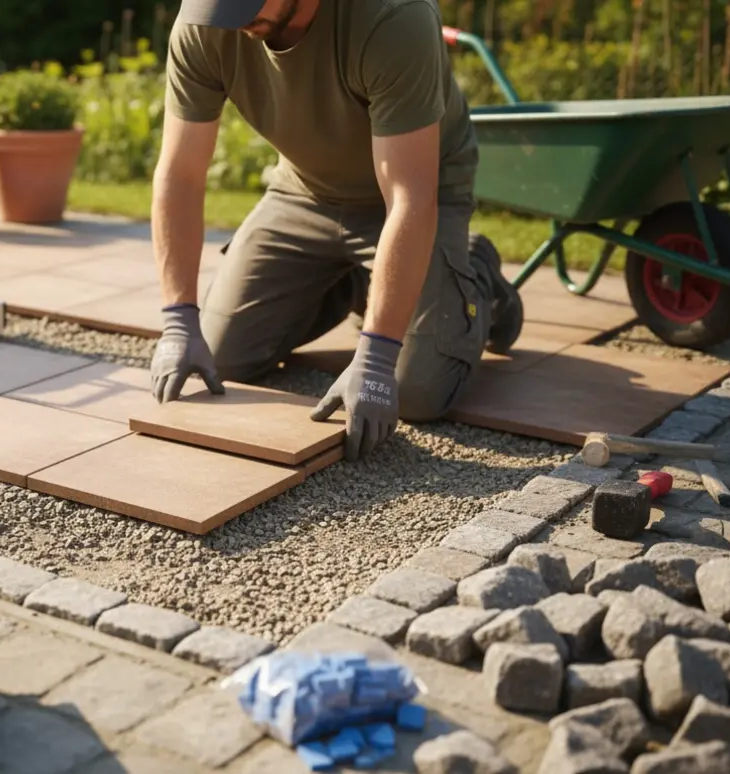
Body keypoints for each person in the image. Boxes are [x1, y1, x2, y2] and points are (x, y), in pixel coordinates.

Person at [147, 0, 525, 462]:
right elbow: (180, 174)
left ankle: (475, 273)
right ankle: (364, 281)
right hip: (304, 193)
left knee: (418, 390)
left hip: (420, 192)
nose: (234, 21)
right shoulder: (208, 23)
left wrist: (378, 357)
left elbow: (409, 196)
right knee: (224, 358)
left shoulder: (392, 16)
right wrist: (178, 320)